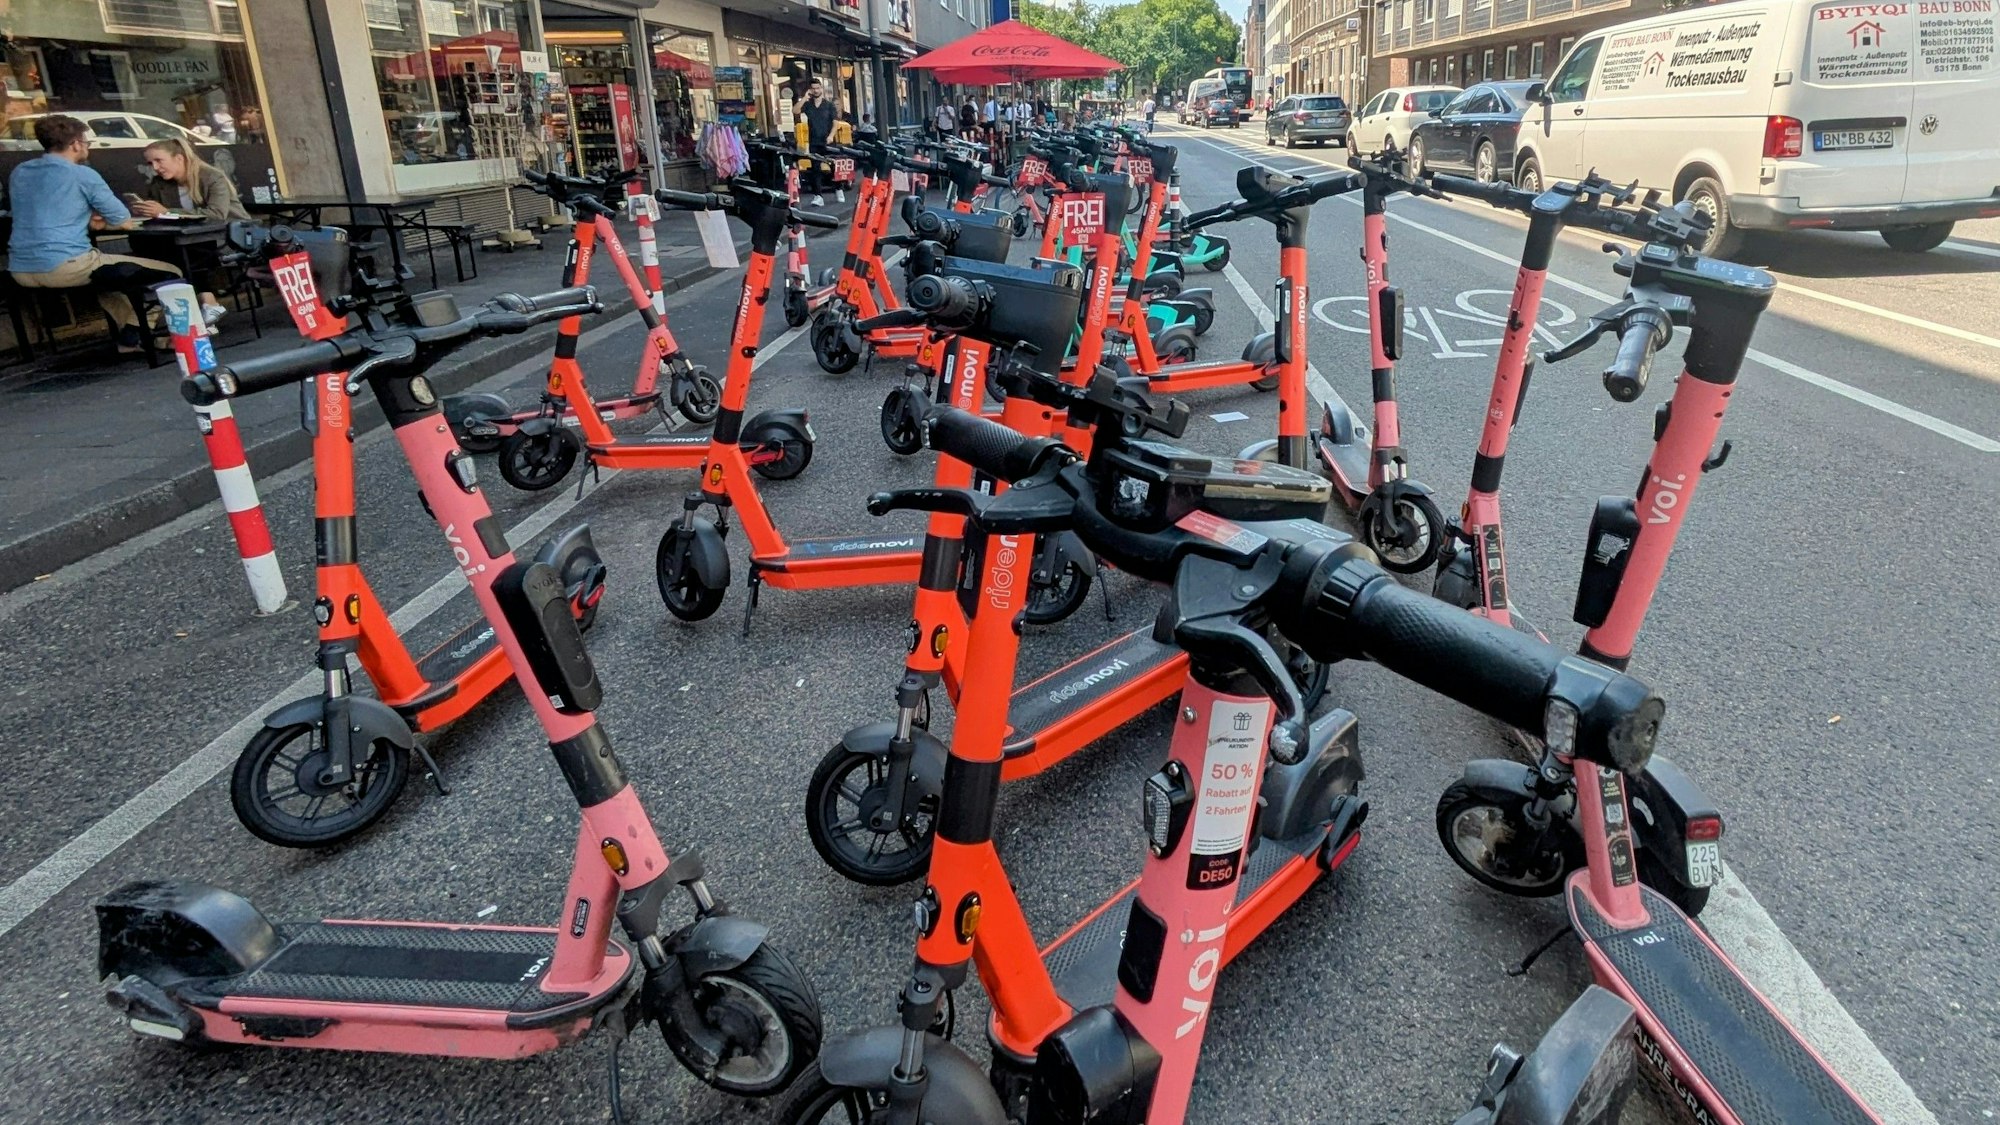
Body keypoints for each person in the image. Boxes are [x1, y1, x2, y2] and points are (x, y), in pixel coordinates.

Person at [7, 114, 185, 354]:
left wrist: (85, 217)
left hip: (20, 268)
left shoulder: (21, 172)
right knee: (172, 273)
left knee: (108, 282)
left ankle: (135, 337)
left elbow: (46, 210)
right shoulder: (82, 174)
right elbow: (122, 220)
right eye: (87, 141)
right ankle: (162, 339)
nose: (88, 146)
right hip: (66, 264)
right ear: (76, 144)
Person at [795, 78, 838, 207]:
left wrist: (831, 136)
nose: (816, 90)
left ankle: (838, 186)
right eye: (813, 88)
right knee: (815, 168)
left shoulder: (829, 105)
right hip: (814, 140)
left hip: (828, 140)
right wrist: (804, 98)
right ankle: (818, 195)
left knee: (832, 166)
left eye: (818, 88)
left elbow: (835, 123)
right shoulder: (808, 105)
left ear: (821, 89)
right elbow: (795, 111)